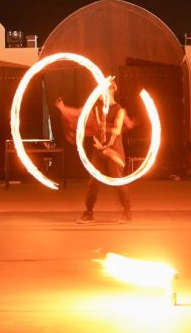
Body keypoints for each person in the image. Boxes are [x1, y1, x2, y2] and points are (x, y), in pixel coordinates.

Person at [55, 77, 133, 223]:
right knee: (93, 182)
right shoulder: (95, 108)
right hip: (98, 151)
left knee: (118, 181)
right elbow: (79, 113)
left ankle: (127, 211)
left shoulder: (119, 110)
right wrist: (62, 108)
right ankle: (88, 212)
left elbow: (116, 129)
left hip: (113, 152)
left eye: (103, 90)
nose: (100, 93)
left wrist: (100, 127)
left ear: (111, 90)